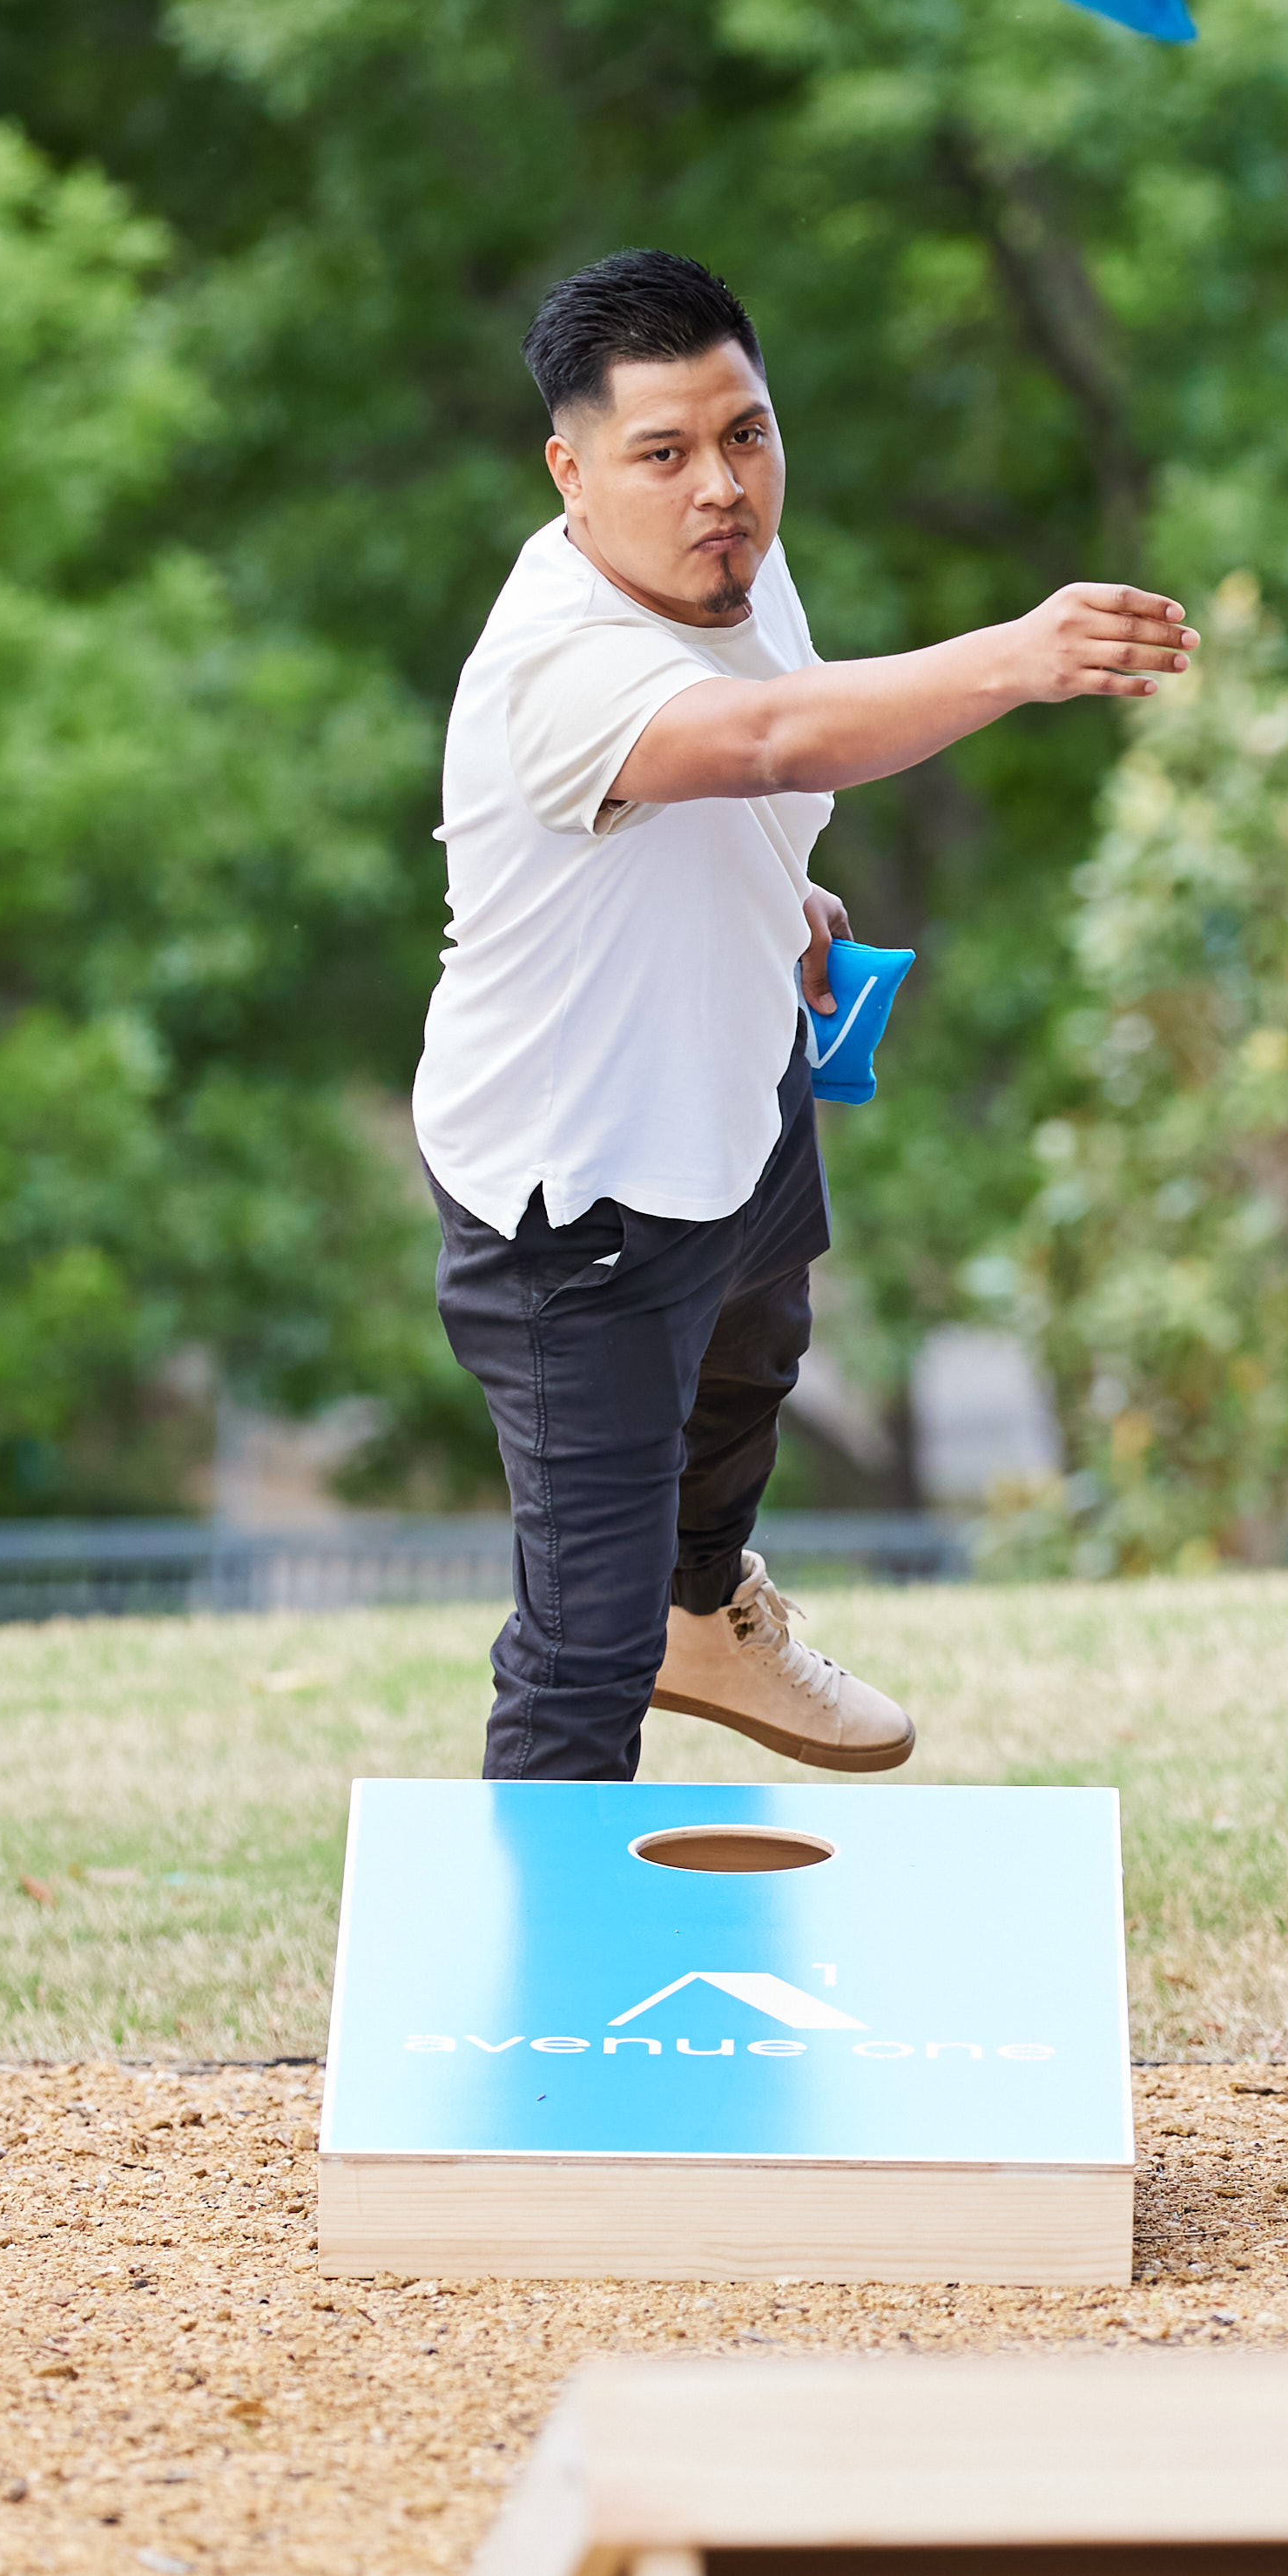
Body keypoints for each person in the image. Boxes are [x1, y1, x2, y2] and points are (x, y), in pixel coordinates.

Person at [413, 249, 1193, 1781]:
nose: (722, 487)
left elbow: (752, 770)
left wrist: (790, 905)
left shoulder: (737, 563)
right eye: (665, 453)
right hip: (578, 1201)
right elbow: (761, 737)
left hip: (736, 1082)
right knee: (584, 1648)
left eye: (746, 434)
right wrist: (1013, 658)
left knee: (756, 1347)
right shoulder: (555, 665)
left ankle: (709, 1615)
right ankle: (546, 1992)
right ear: (571, 473)